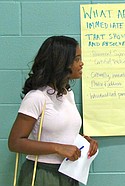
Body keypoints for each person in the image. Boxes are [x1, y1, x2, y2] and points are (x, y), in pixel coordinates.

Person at [8, 36, 98, 186]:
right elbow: (15, 143)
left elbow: (58, 131)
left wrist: (84, 141)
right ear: (62, 63)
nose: (81, 63)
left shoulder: (67, 93)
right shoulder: (36, 97)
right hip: (43, 174)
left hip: (68, 171)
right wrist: (57, 148)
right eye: (77, 59)